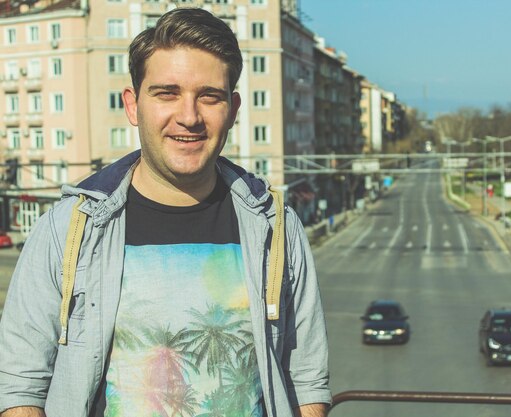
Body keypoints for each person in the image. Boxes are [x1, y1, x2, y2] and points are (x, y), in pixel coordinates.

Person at [0, 7, 330, 417]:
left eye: (209, 96)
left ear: (234, 108)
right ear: (134, 105)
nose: (188, 117)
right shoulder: (67, 228)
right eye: (167, 93)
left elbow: (307, 379)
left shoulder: (277, 227)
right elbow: (18, 385)